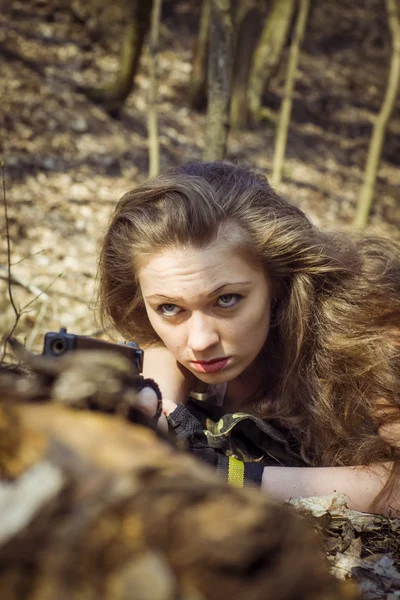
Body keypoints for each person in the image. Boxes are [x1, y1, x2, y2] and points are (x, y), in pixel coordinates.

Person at [97, 161, 400, 516]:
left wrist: (231, 477)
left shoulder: (371, 331)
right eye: (168, 307)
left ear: (278, 282)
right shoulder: (178, 340)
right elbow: (156, 343)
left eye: (226, 300)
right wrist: (162, 409)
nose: (199, 341)